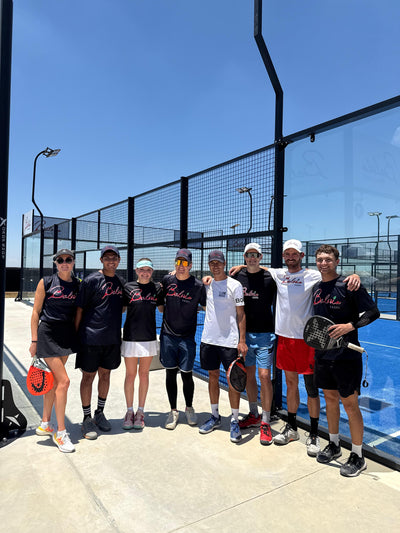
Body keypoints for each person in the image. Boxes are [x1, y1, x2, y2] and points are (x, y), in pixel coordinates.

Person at [230, 239, 360, 456]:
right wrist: (242, 266)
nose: (291, 257)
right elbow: (256, 265)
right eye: (287, 254)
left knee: (311, 389)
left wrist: (354, 276)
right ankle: (291, 428)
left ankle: (314, 434)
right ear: (284, 257)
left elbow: (334, 274)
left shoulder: (313, 274)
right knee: (290, 384)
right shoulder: (277, 273)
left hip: (307, 340)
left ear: (301, 256)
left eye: (295, 254)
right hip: (284, 339)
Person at [312, 244, 379, 477]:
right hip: (322, 355)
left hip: (347, 355)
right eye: (320, 259)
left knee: (350, 405)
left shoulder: (349, 285)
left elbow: (373, 312)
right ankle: (334, 443)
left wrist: (350, 325)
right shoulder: (316, 287)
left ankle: (358, 455)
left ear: (337, 261)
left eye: (328, 259)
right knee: (329, 399)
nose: (323, 263)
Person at [30, 249, 80, 453]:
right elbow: (36, 311)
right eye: (61, 260)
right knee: (64, 381)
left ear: (73, 262)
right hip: (47, 334)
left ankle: (45, 423)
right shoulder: (46, 282)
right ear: (56, 263)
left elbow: (78, 312)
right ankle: (60, 433)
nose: (64, 263)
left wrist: (75, 335)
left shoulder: (78, 284)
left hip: (66, 335)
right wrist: (34, 340)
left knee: (54, 382)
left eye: (68, 260)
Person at [75, 245, 124, 440]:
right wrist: (77, 336)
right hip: (90, 339)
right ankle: (86, 418)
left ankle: (99, 413)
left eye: (114, 258)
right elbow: (79, 309)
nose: (110, 261)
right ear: (101, 260)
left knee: (105, 375)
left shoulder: (120, 282)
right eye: (107, 257)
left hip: (111, 339)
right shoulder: (90, 281)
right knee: (88, 377)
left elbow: (121, 307)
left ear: (118, 260)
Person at [198, 250, 248, 443]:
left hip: (230, 342)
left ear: (225, 263)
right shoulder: (206, 285)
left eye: (218, 262)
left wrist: (241, 340)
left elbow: (241, 314)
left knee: (233, 381)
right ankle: (215, 416)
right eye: (212, 263)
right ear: (209, 265)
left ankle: (234, 420)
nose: (215, 265)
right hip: (209, 340)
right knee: (212, 378)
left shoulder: (235, 285)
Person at [232, 243, 277, 446]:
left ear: (260, 257)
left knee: (264, 376)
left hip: (265, 335)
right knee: (249, 375)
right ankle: (253, 414)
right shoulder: (236, 277)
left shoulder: (270, 278)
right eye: (248, 255)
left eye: (255, 255)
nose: (252, 258)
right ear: (244, 257)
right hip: (244, 336)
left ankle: (266, 421)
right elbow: (219, 281)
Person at [160, 249, 206, 430]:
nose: (181, 266)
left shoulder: (198, 286)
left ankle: (189, 408)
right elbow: (159, 303)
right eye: (178, 262)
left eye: (185, 263)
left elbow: (206, 306)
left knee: (187, 375)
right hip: (168, 336)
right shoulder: (167, 280)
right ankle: (173, 411)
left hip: (187, 337)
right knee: (170, 373)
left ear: (191, 265)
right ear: (174, 264)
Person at [121, 258, 163, 430]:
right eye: (142, 269)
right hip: (130, 337)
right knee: (130, 375)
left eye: (148, 270)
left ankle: (140, 412)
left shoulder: (158, 288)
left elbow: (163, 309)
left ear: (152, 272)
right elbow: (121, 309)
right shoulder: (127, 288)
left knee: (144, 374)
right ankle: (129, 411)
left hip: (148, 338)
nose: (145, 272)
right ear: (137, 271)